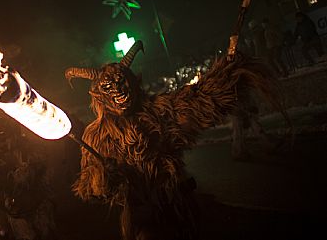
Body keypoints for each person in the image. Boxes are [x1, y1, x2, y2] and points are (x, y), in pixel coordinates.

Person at [65, 40, 286, 240]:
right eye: (108, 87)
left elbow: (201, 101)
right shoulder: (96, 136)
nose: (119, 91)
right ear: (99, 95)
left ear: (132, 82)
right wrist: (103, 178)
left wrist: (227, 73)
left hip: (177, 204)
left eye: (122, 82)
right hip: (142, 214)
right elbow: (91, 189)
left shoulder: (159, 111)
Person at [0, 117, 57, 240]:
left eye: (2, 133)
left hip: (38, 204)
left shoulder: (28, 147)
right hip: (15, 209)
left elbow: (43, 165)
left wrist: (27, 172)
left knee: (46, 235)